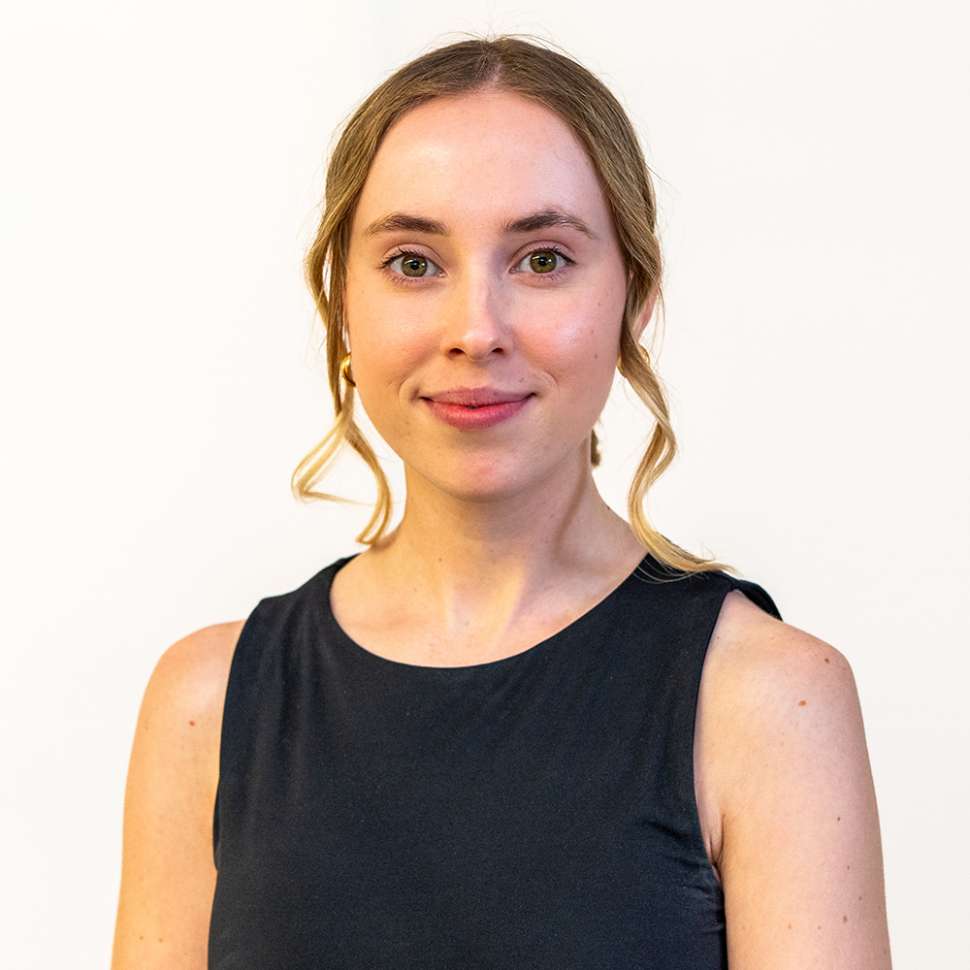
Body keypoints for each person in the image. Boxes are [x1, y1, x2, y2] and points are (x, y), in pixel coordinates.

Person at [110, 33, 892, 970]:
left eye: (544, 260)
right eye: (412, 262)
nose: (475, 330)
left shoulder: (767, 698)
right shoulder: (208, 701)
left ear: (634, 295)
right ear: (342, 304)